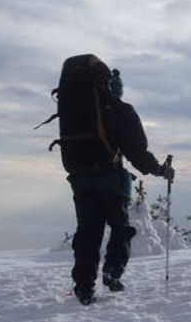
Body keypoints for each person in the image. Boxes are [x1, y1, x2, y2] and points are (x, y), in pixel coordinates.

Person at [68, 67, 174, 305]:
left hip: (81, 180)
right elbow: (137, 152)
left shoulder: (78, 112)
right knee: (120, 227)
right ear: (116, 89)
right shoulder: (121, 111)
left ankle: (84, 286)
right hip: (111, 182)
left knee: (88, 232)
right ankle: (112, 272)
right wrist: (159, 170)